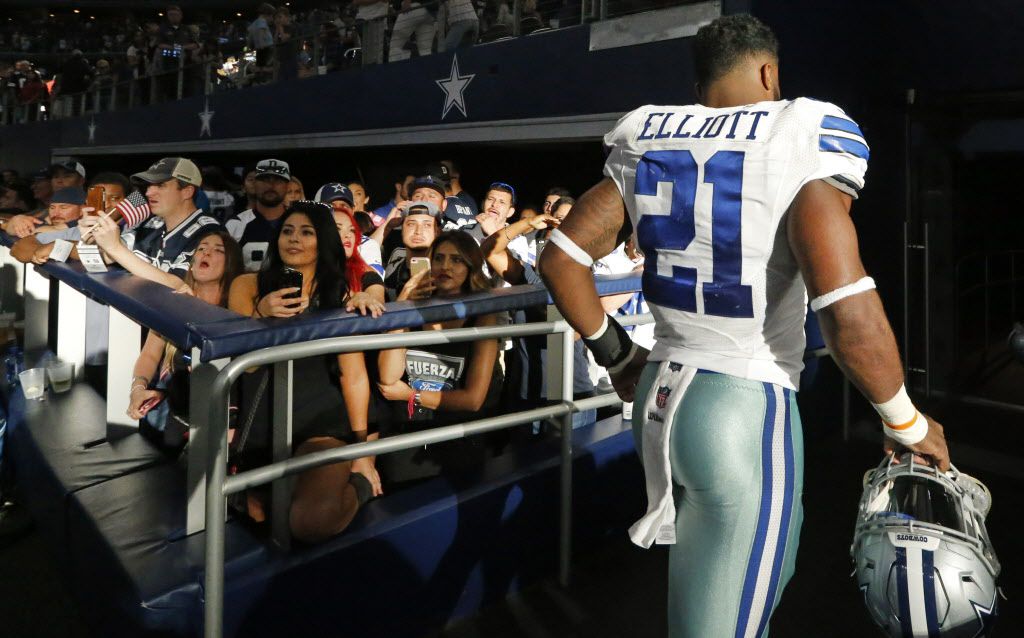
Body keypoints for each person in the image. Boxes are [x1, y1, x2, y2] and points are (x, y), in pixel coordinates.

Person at [537, 14, 950, 638]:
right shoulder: (800, 129)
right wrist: (906, 421)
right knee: (735, 610)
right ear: (768, 71)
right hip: (742, 405)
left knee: (723, 590)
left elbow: (561, 259)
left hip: (660, 394)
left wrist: (620, 356)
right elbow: (843, 305)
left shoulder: (649, 133)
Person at [228, 201, 384, 541]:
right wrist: (261, 313)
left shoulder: (339, 295)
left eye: (306, 232)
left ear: (322, 242)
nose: (293, 239)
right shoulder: (247, 286)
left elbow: (354, 377)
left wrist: (362, 455)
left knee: (310, 521)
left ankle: (359, 487)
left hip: (322, 425)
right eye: (287, 231)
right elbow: (249, 364)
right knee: (261, 519)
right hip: (264, 426)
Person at [377, 230, 503, 485]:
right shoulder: (412, 308)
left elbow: (473, 400)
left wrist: (410, 395)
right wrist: (403, 303)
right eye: (439, 258)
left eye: (456, 260)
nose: (445, 266)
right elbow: (388, 377)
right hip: (409, 430)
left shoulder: (483, 315)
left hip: (459, 433)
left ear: (471, 267)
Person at [128, 230, 243, 449]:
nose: (205, 253)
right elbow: (150, 355)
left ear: (231, 264)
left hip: (225, 416)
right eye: (201, 249)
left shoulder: (239, 306)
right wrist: (138, 389)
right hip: (180, 414)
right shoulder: (176, 300)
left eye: (218, 250)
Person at [83, 157, 220, 288]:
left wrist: (115, 248)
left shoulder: (209, 232)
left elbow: (180, 285)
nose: (148, 192)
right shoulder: (150, 223)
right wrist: (89, 241)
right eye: (149, 186)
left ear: (187, 192)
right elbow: (104, 259)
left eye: (160, 185)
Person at [225, 158, 291, 271]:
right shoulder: (236, 224)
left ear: (288, 186)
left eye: (278, 180)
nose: (271, 185)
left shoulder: (301, 222)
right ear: (254, 184)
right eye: (265, 180)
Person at [377, 200, 443, 300]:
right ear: (402, 229)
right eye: (411, 224)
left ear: (437, 232)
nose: (418, 231)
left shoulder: (446, 271)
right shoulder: (391, 271)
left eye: (427, 225)